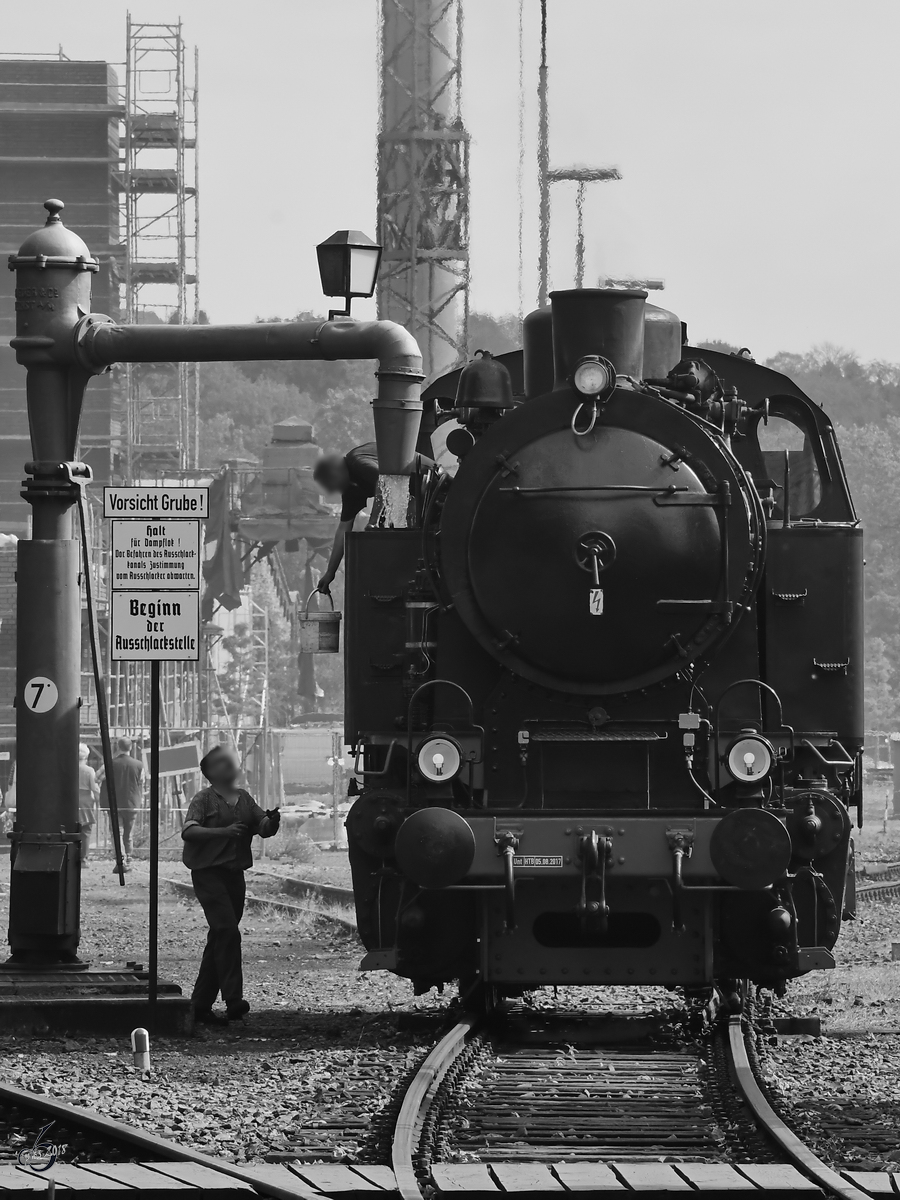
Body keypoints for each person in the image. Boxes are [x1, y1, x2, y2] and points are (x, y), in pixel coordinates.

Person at [181, 745, 280, 1025]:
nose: (229, 767)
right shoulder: (204, 799)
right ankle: (234, 999)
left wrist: (271, 823)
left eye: (230, 763)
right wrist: (222, 832)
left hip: (234, 876)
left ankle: (199, 1006)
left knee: (220, 937)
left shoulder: (244, 799)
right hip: (208, 874)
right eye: (221, 764)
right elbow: (188, 831)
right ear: (210, 773)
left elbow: (261, 825)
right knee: (227, 930)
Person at [313, 441, 434, 592]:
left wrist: (373, 522)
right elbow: (343, 529)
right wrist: (330, 573)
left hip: (428, 481)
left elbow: (384, 483)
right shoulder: (351, 489)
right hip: (412, 497)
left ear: (335, 472)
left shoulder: (357, 461)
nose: (336, 491)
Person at [100, 736, 143, 872]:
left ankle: (121, 859)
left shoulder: (110, 764)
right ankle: (129, 857)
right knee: (128, 833)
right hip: (132, 803)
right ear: (131, 747)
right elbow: (142, 781)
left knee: (117, 832)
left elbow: (97, 777)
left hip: (115, 804)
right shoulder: (139, 764)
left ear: (118, 747)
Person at [77, 743, 100, 864]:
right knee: (86, 830)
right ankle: (83, 858)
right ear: (86, 757)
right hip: (86, 801)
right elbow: (94, 788)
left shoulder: (68, 768)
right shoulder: (89, 770)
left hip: (71, 800)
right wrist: (98, 800)